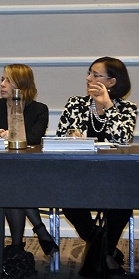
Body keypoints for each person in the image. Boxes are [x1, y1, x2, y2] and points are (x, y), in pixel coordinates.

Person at [57, 56, 137, 274]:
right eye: (89, 72)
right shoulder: (76, 104)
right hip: (79, 174)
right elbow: (60, 138)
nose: (88, 77)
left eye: (95, 74)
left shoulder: (127, 108)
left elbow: (122, 138)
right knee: (69, 203)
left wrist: (107, 105)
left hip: (113, 176)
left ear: (111, 81)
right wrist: (70, 136)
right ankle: (107, 253)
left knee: (121, 205)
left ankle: (100, 255)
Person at [0, 64, 58, 256]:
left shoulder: (39, 109)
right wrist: (0, 137)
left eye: (7, 80)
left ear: (22, 84)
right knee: (12, 182)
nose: (2, 84)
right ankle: (39, 229)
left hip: (30, 170)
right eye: (1, 79)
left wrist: (12, 135)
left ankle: (17, 246)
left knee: (14, 184)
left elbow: (35, 137)